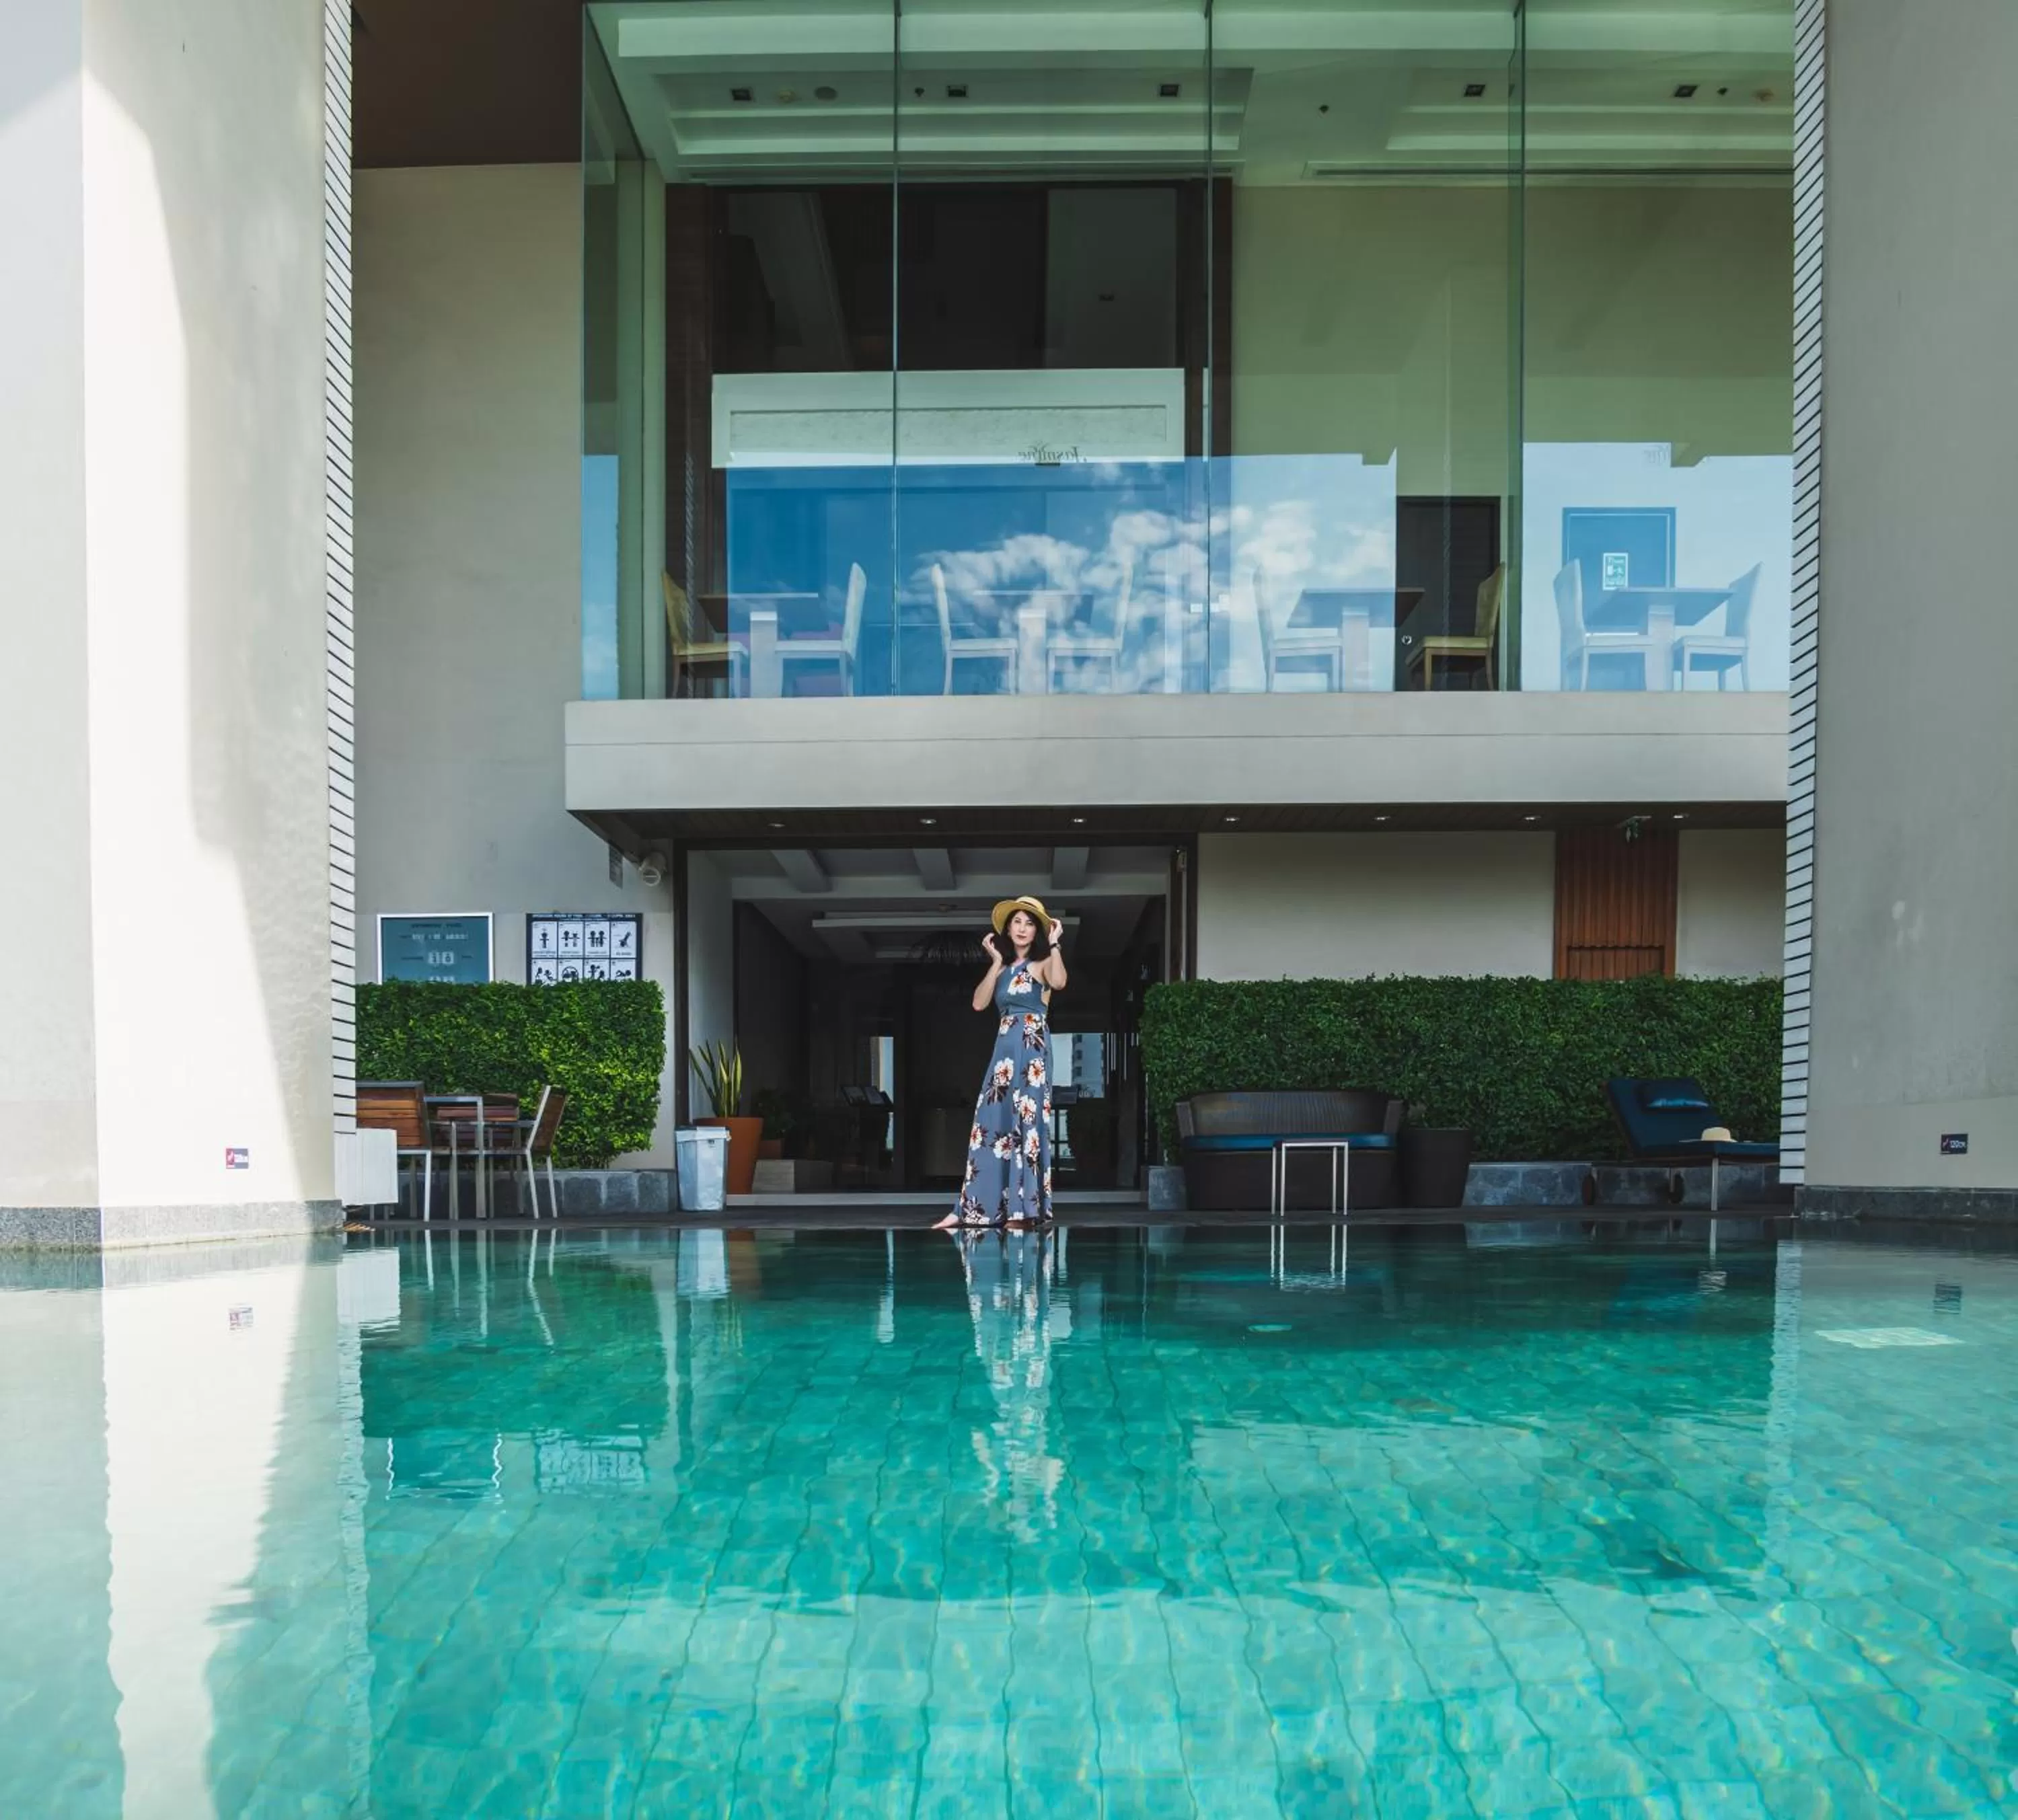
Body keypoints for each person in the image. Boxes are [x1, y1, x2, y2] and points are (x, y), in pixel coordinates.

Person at [936, 896, 1067, 1227]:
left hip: (1032, 1049)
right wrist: (995, 961)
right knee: (989, 1126)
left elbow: (1060, 982)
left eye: (1029, 923)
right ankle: (970, 1208)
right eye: (1017, 922)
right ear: (1008, 929)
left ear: (1036, 930)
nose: (1022, 928)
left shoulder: (1040, 964)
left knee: (1027, 1125)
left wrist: (1055, 944)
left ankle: (1025, 1212)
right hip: (1003, 1053)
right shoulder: (1004, 969)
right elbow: (979, 1003)